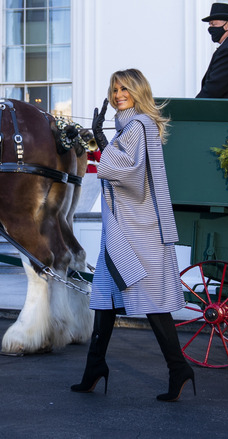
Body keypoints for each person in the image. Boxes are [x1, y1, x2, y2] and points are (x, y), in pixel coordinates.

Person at [71, 69, 196, 402]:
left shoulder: (136, 126)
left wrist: (99, 139)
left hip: (135, 230)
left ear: (138, 91)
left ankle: (178, 368)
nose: (118, 94)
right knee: (106, 297)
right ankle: (95, 366)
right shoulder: (132, 126)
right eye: (114, 88)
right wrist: (104, 138)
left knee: (151, 302)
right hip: (127, 227)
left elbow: (126, 172)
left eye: (125, 88)